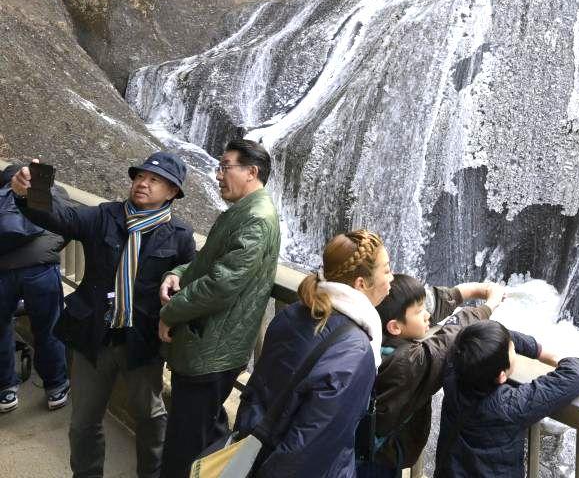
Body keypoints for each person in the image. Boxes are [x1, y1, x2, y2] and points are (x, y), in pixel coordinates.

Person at [7, 152, 196, 478]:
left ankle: (151, 474)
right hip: (93, 336)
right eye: (139, 176)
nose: (143, 183)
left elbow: (191, 273)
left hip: (142, 342)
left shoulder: (179, 234)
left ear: (172, 193)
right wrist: (29, 193)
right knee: (83, 422)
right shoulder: (105, 216)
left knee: (150, 418)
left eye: (154, 180)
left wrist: (179, 273)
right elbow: (62, 216)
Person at [157, 138, 280, 478]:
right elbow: (208, 265)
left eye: (225, 167)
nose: (218, 174)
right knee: (201, 431)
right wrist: (177, 273)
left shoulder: (256, 219)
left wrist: (170, 312)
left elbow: (221, 285)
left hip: (212, 351)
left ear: (251, 172)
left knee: (186, 444)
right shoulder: (244, 212)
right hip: (209, 345)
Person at [234, 229, 392, 477]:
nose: (391, 277)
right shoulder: (356, 352)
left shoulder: (294, 312)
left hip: (254, 445)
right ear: (361, 284)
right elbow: (310, 448)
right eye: (387, 269)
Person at [358, 275, 505, 476]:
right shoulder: (409, 364)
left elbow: (423, 307)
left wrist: (465, 292)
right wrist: (488, 306)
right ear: (395, 327)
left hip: (360, 447)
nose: (427, 315)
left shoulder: (369, 329)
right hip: (378, 459)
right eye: (420, 312)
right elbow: (449, 340)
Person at [434, 321, 579, 478]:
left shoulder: (453, 368)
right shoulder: (510, 405)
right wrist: (554, 357)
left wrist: (535, 349)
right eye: (512, 349)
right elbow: (575, 376)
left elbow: (478, 335)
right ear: (501, 376)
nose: (513, 346)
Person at [0, 163, 68, 414]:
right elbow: (66, 226)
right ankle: (56, 388)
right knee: (49, 328)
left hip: (2, 274)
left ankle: (5, 391)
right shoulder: (51, 194)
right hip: (40, 271)